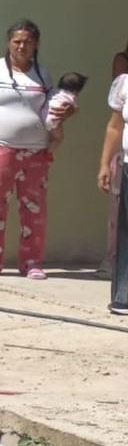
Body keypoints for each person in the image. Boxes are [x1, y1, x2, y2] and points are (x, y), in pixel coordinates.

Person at [0, 20, 71, 281]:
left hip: (36, 151)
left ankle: (32, 262)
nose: (22, 46)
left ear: (36, 44)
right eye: (17, 41)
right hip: (0, 148)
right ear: (9, 43)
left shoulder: (43, 74)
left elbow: (51, 110)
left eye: (28, 41)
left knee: (34, 208)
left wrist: (66, 114)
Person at [99, 71, 127, 315]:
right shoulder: (125, 84)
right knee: (126, 232)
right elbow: (115, 127)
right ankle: (124, 296)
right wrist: (105, 164)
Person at [44, 72, 88, 150]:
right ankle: (47, 152)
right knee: (58, 138)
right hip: (53, 119)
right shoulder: (72, 97)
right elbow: (75, 109)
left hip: (43, 114)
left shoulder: (54, 90)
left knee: (50, 135)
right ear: (76, 90)